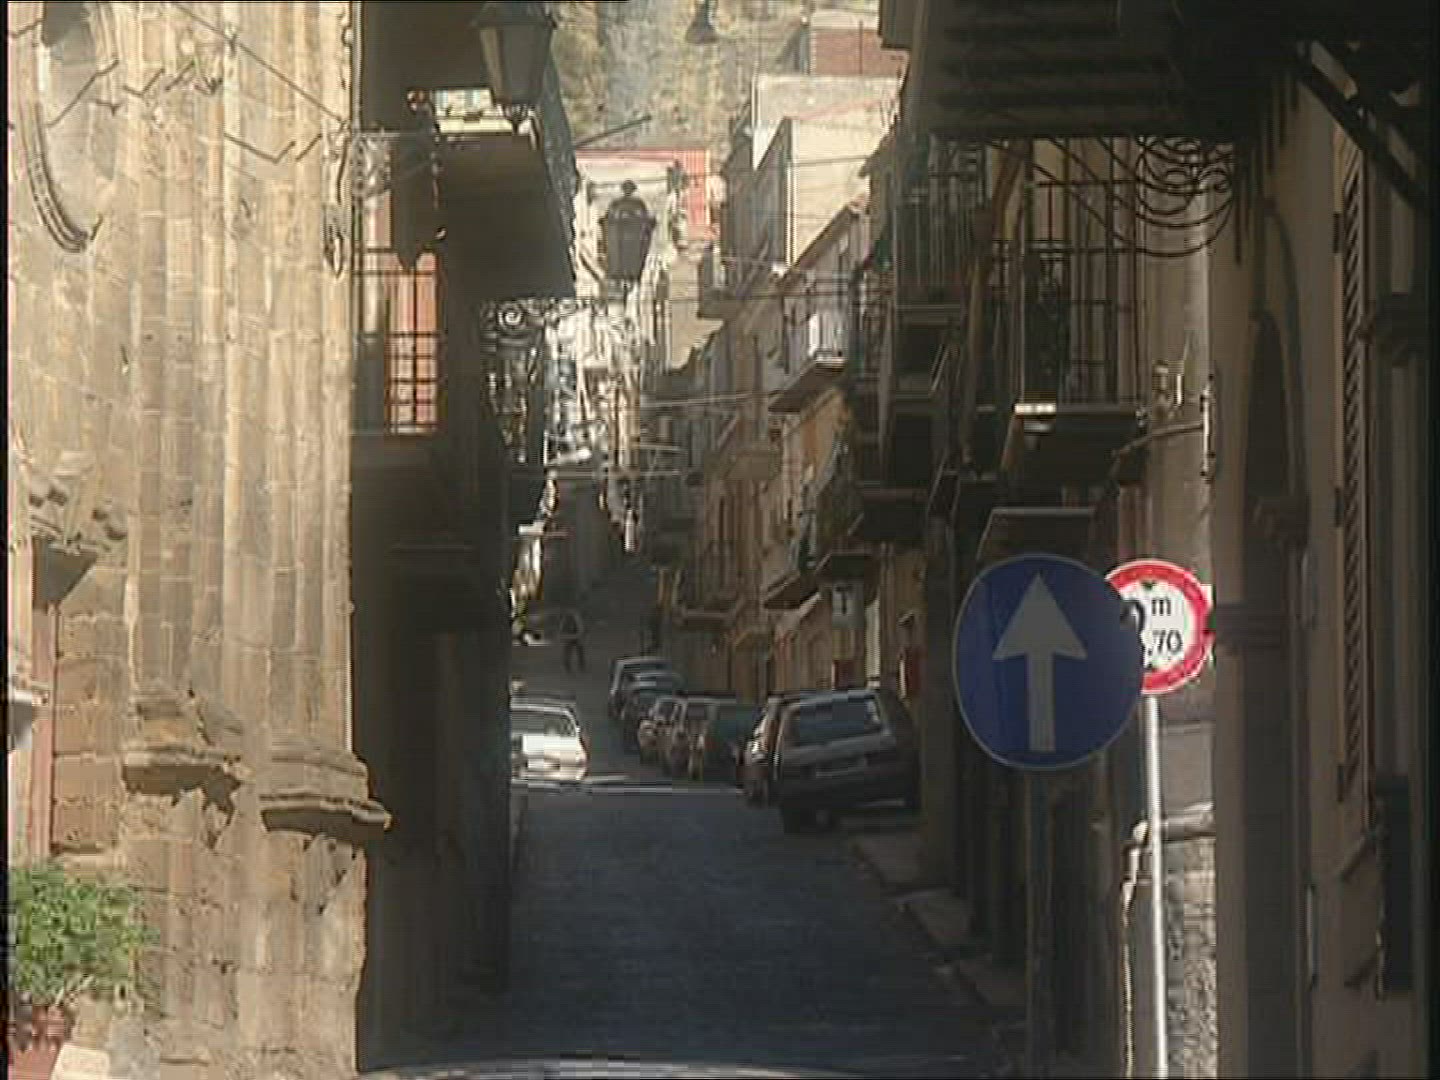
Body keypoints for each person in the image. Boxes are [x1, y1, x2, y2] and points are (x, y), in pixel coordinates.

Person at [560, 609, 586, 674]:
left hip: (575, 637)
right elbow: (581, 627)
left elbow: (581, 627)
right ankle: (568, 666)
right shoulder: (567, 619)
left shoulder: (573, 618)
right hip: (572, 637)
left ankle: (579, 665)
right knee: (571, 652)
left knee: (577, 652)